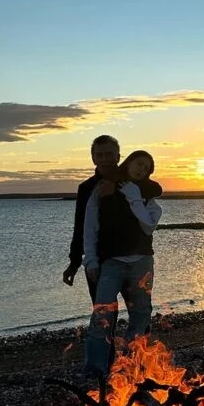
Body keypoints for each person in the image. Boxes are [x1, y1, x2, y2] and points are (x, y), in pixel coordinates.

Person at [80, 149, 163, 382]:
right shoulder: (104, 191)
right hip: (112, 263)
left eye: (146, 167)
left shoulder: (150, 201)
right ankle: (95, 369)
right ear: (128, 163)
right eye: (138, 163)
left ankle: (130, 365)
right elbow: (90, 227)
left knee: (141, 315)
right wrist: (90, 260)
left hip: (142, 263)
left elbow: (147, 226)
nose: (141, 169)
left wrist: (134, 196)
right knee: (102, 315)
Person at [62, 134, 121, 302]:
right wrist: (74, 263)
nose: (104, 159)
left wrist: (115, 193)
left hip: (129, 257)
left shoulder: (130, 183)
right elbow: (80, 226)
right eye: (99, 155)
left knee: (138, 310)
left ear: (117, 157)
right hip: (97, 258)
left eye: (109, 154)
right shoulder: (86, 188)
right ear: (93, 158)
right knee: (102, 310)